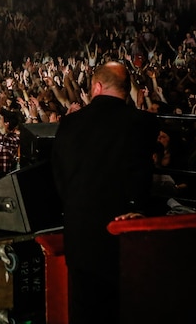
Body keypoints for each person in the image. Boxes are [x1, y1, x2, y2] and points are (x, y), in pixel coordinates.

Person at [51, 61, 160, 324]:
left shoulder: (70, 124)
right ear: (127, 89)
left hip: (81, 232)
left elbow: (59, 176)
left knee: (85, 309)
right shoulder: (143, 123)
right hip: (124, 231)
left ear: (96, 87)